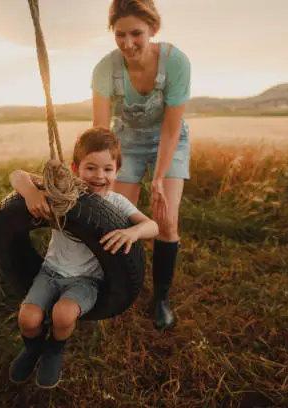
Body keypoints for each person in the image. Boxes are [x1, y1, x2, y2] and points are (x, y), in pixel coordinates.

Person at [8, 126, 159, 389]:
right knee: (27, 319)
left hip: (86, 280)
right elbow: (17, 175)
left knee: (63, 316)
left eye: (107, 169)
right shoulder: (65, 192)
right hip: (51, 272)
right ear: (75, 168)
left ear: (117, 171)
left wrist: (132, 232)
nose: (99, 176)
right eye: (90, 168)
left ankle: (54, 350)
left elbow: (153, 227)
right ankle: (33, 350)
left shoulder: (117, 204)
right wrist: (32, 193)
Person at [91, 0, 191, 331]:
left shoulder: (176, 63)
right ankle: (118, 286)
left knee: (166, 220)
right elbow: (102, 132)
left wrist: (159, 178)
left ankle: (160, 298)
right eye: (120, 34)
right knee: (116, 217)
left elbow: (171, 128)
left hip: (169, 141)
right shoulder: (105, 68)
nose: (128, 42)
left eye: (136, 33)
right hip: (126, 143)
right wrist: (99, 172)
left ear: (153, 30)